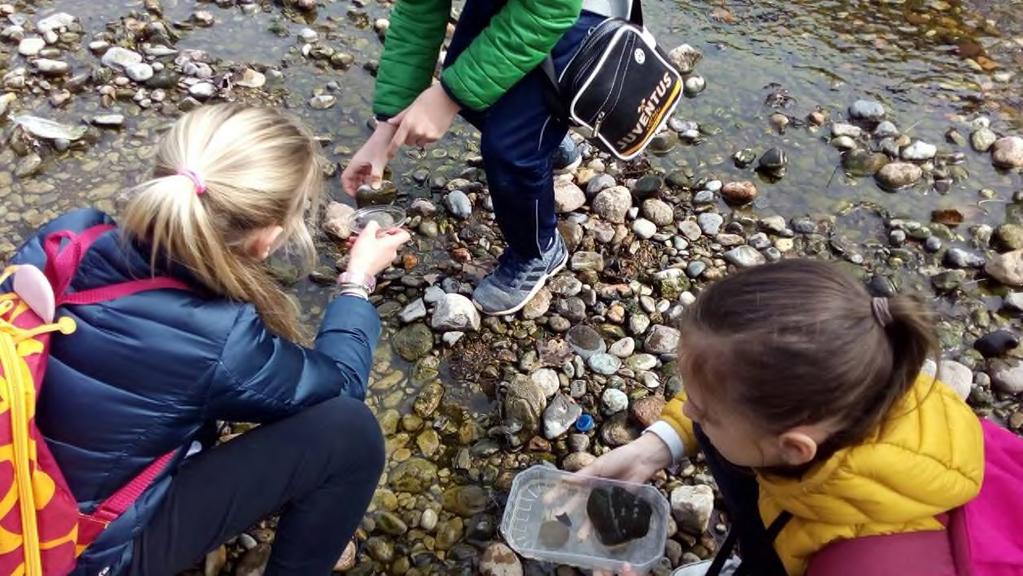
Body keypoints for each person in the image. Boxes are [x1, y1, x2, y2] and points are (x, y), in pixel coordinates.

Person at [5, 104, 410, 575]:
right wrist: (356, 283)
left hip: (13, 493)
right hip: (69, 556)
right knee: (349, 433)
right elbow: (339, 384)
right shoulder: (219, 336)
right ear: (267, 240)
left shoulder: (71, 237)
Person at [583, 259, 985, 575]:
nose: (687, 409)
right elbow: (734, 399)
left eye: (702, 411)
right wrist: (657, 446)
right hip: (794, 504)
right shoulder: (855, 383)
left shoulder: (861, 562)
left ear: (794, 447)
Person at [342, 0, 618, 316]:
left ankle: (539, 249)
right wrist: (387, 127)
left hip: (580, 9)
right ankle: (546, 140)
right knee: (467, 79)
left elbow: (549, 9)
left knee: (509, 150)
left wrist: (447, 97)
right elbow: (418, 10)